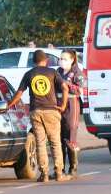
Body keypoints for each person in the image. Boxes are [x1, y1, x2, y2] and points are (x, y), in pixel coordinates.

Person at [7, 50, 71, 182]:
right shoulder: (53, 73)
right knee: (55, 142)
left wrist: (9, 105)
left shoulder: (29, 74)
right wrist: (63, 105)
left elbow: (19, 93)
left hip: (36, 111)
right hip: (52, 111)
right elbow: (65, 87)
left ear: (33, 61)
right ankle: (59, 173)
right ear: (46, 60)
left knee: (40, 143)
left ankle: (44, 174)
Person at [56, 49, 84, 177]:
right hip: (58, 105)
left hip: (71, 105)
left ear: (72, 60)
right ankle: (59, 169)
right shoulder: (58, 72)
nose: (61, 61)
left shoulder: (76, 72)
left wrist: (67, 84)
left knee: (70, 136)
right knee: (59, 138)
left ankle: (73, 167)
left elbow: (80, 90)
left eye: (64, 59)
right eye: (60, 59)